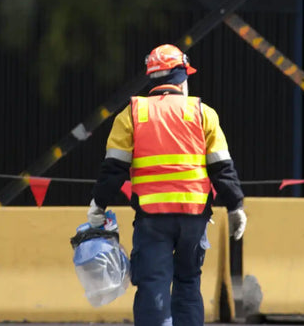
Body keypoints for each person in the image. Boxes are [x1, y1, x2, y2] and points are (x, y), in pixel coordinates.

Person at [86, 43, 246, 326]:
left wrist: (98, 205)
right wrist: (235, 207)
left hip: (152, 220)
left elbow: (114, 169)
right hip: (194, 218)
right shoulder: (203, 113)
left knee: (153, 286)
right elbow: (222, 168)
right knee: (188, 283)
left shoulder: (132, 114)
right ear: (181, 77)